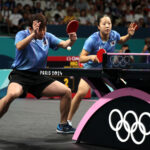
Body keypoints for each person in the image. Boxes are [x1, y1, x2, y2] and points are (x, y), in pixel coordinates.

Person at [0, 13, 77, 134]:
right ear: (30, 28)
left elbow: (64, 44)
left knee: (66, 92)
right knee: (12, 95)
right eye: (39, 30)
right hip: (20, 75)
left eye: (44, 29)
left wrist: (71, 40)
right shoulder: (22, 34)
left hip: (38, 76)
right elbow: (19, 46)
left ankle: (63, 125)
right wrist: (32, 35)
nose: (42, 32)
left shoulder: (47, 37)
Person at [67, 15, 137, 125]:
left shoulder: (114, 35)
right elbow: (81, 58)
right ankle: (67, 121)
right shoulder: (92, 40)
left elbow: (122, 40)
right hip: (91, 69)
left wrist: (129, 35)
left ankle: (125, 117)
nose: (107, 26)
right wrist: (92, 57)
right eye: (104, 24)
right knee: (81, 93)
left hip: (106, 69)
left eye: (109, 23)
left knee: (122, 90)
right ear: (98, 26)